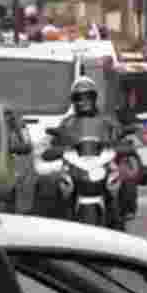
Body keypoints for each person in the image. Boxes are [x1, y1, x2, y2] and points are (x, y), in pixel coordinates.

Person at [43, 77, 124, 220]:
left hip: (101, 162)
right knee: (51, 183)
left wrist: (120, 140)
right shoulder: (67, 123)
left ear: (94, 98)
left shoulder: (107, 120)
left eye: (87, 97)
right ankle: (57, 219)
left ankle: (120, 213)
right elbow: (56, 142)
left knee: (122, 180)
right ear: (74, 101)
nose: (84, 101)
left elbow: (118, 134)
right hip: (76, 164)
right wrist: (56, 148)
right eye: (79, 98)